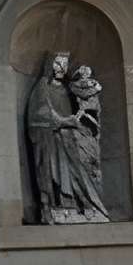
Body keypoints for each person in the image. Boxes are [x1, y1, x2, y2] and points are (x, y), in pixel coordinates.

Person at [25, 50, 109, 222]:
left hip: (68, 140)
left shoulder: (65, 90)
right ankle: (55, 207)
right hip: (51, 140)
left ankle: (80, 205)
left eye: (65, 64)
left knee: (75, 172)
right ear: (50, 65)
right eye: (58, 63)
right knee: (55, 172)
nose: (62, 68)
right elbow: (41, 113)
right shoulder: (42, 87)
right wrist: (64, 121)